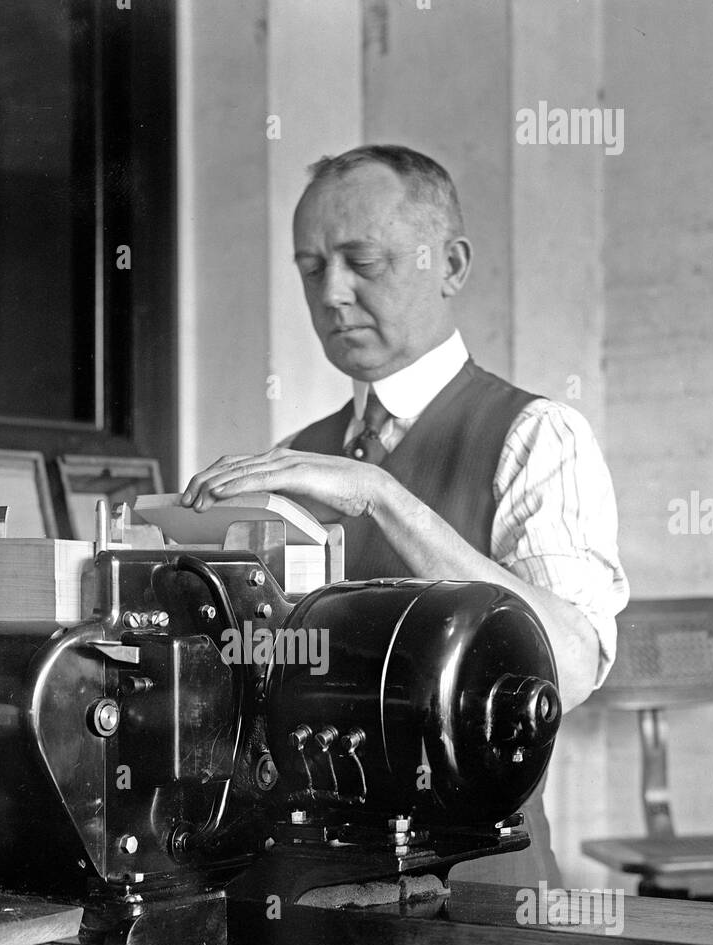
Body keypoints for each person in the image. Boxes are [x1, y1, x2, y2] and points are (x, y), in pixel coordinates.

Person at [181, 144, 628, 884]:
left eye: (363, 260)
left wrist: (380, 496)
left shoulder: (535, 436)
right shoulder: (297, 455)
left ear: (449, 265)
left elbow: (570, 669)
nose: (331, 293)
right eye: (310, 267)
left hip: (482, 893)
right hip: (312, 888)